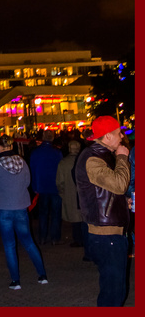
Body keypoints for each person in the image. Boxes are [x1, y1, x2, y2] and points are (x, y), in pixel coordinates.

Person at [75, 114, 130, 306]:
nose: (122, 136)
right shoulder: (92, 158)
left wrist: (123, 203)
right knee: (112, 295)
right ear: (107, 136)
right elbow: (119, 184)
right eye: (118, 133)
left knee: (117, 290)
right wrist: (123, 157)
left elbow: (108, 191)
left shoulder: (101, 155)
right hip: (105, 235)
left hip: (111, 233)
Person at [0, 134, 48, 290]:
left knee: (9, 245)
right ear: (12, 146)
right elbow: (27, 182)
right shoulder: (22, 162)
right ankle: (42, 275)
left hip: (3, 208)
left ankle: (16, 281)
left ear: (0, 147)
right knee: (28, 242)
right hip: (21, 206)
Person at [29, 130, 63, 244]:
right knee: (56, 213)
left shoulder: (35, 153)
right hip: (55, 186)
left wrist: (34, 185)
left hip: (41, 187)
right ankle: (55, 237)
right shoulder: (57, 153)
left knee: (43, 213)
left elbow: (32, 171)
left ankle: (42, 236)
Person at [56, 139, 86, 247]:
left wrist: (62, 193)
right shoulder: (84, 160)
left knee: (74, 219)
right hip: (82, 193)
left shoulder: (63, 163)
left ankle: (77, 239)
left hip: (69, 193)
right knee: (83, 218)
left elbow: (60, 181)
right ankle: (84, 239)